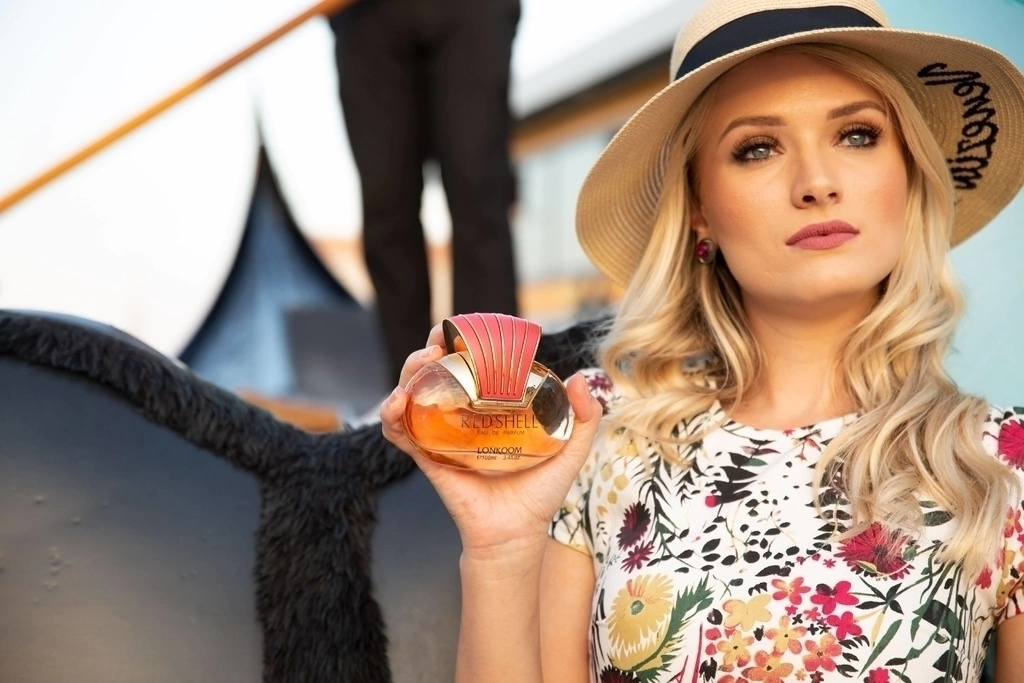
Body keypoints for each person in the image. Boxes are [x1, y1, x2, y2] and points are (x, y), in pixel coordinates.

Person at [381, 0, 1024, 680]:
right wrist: (501, 551)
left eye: (857, 135)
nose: (817, 183)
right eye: (758, 148)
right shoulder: (602, 432)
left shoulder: (1000, 465)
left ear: (910, 174)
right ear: (698, 211)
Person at [329, 0, 521, 386]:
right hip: (364, 14)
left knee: (479, 192)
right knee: (386, 206)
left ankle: (495, 387)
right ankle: (414, 393)